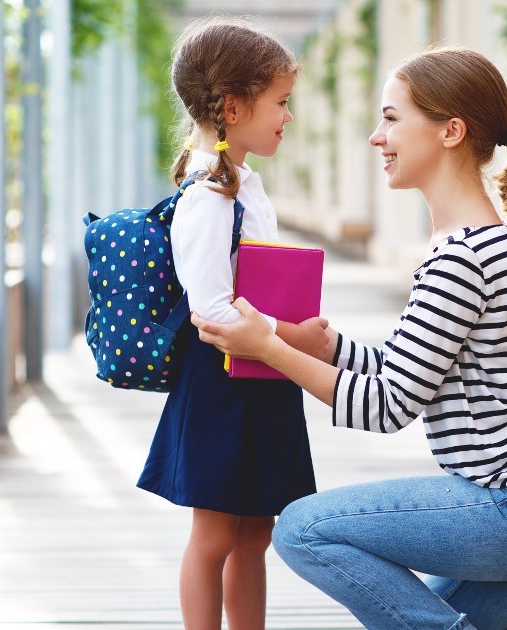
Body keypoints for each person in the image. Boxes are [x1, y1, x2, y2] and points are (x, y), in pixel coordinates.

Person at [191, 47, 507, 630]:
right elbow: (410, 369)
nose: (376, 137)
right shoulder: (473, 244)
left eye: (391, 118)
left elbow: (388, 407)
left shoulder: (462, 258)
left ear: (451, 131)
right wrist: (328, 346)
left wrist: (270, 350)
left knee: (301, 529)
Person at [134, 16, 329, 630]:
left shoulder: (240, 184)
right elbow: (211, 310)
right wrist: (293, 338)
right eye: (281, 101)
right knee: (215, 530)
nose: (287, 116)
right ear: (234, 106)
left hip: (259, 374)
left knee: (256, 531)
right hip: (223, 380)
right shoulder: (209, 197)